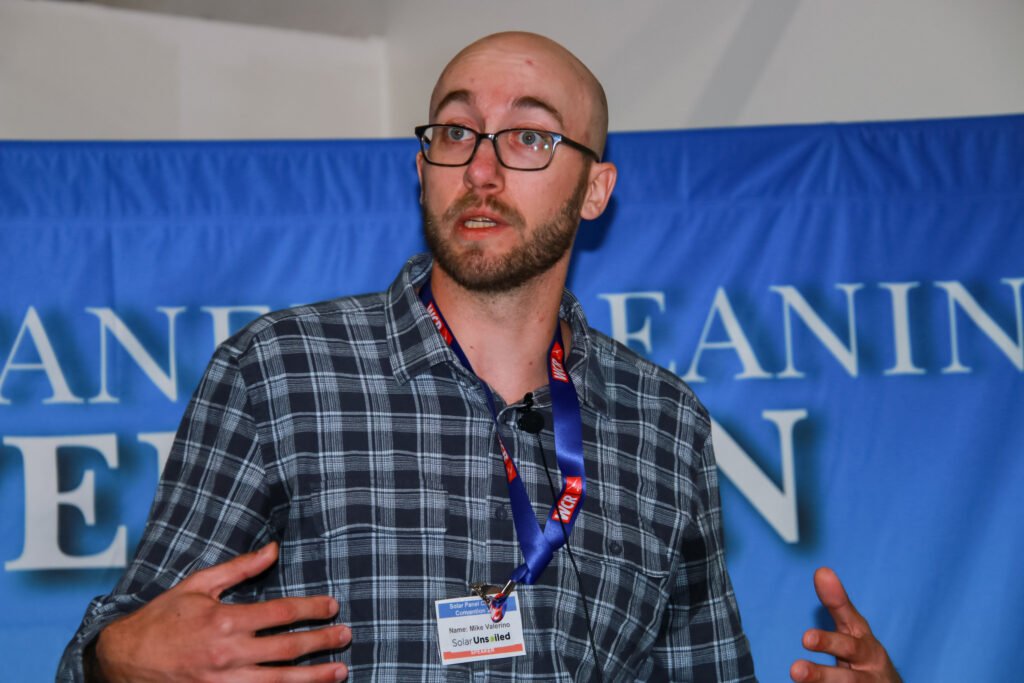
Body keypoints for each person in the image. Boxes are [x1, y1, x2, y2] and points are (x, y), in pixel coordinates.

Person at [58, 32, 900, 682]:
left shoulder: (664, 421)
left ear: (595, 189)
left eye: (529, 137)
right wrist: (118, 659)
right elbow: (120, 642)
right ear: (423, 165)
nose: (482, 169)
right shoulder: (280, 371)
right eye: (457, 131)